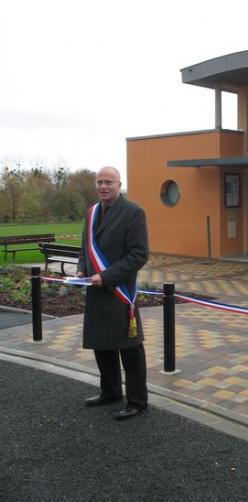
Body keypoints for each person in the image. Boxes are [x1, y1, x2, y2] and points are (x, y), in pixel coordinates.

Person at [76, 166, 149, 420]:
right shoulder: (91, 213)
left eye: (109, 182)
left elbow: (139, 255)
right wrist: (81, 270)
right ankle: (110, 392)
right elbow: (85, 248)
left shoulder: (133, 212)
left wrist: (105, 277)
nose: (103, 186)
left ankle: (138, 401)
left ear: (119, 184)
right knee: (101, 344)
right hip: (96, 292)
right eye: (99, 182)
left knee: (129, 348)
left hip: (120, 292)